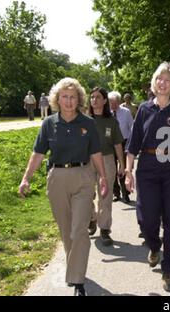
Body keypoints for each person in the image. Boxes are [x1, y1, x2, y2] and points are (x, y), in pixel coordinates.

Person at [18, 78, 108, 296]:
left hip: (83, 177)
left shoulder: (87, 123)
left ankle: (77, 281)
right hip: (57, 177)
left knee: (79, 230)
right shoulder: (49, 123)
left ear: (79, 99)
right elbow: (38, 153)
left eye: (73, 97)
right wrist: (26, 177)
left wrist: (103, 177)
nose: (68, 101)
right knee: (66, 230)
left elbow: (96, 153)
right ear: (57, 100)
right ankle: (75, 266)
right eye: (64, 97)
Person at [125, 61, 170, 291]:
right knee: (147, 219)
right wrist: (128, 171)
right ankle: (154, 246)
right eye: (159, 79)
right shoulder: (144, 109)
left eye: (167, 80)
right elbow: (133, 144)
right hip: (147, 168)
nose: (162, 83)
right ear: (154, 83)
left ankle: (168, 268)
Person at [88, 87, 125, 246]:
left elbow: (118, 145)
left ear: (104, 101)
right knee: (86, 194)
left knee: (106, 196)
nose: (94, 100)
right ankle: (91, 218)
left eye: (98, 97)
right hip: (87, 161)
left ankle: (104, 229)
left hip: (107, 160)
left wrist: (122, 165)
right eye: (92, 97)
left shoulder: (111, 122)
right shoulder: (84, 120)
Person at [109, 91, 133, 203]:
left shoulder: (126, 112)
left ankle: (125, 193)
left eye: (114, 103)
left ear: (119, 102)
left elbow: (131, 127)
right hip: (110, 144)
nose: (112, 105)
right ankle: (116, 193)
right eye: (110, 103)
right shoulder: (107, 114)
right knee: (112, 169)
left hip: (124, 142)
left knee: (123, 168)